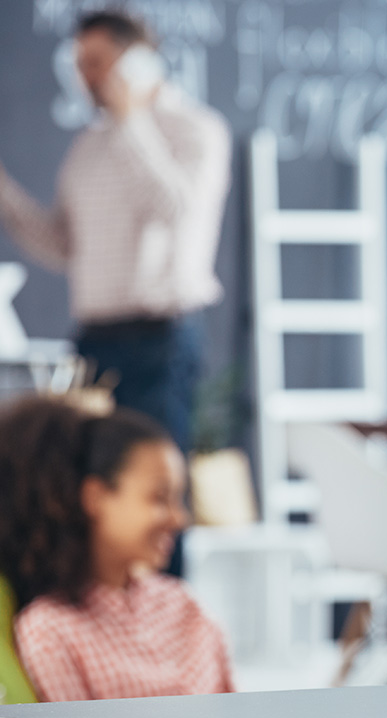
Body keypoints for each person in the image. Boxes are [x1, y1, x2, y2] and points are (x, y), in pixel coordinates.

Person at [0, 10, 231, 456]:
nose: (85, 77)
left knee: (150, 468)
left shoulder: (195, 129)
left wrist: (130, 120)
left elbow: (176, 209)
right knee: (86, 473)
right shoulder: (90, 145)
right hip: (95, 337)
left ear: (137, 61)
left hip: (159, 338)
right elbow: (63, 245)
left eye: (97, 62)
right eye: (80, 63)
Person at [0, 397, 233, 701]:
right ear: (95, 497)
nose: (180, 519)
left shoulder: (185, 606)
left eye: (180, 498)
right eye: (159, 498)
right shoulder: (51, 630)